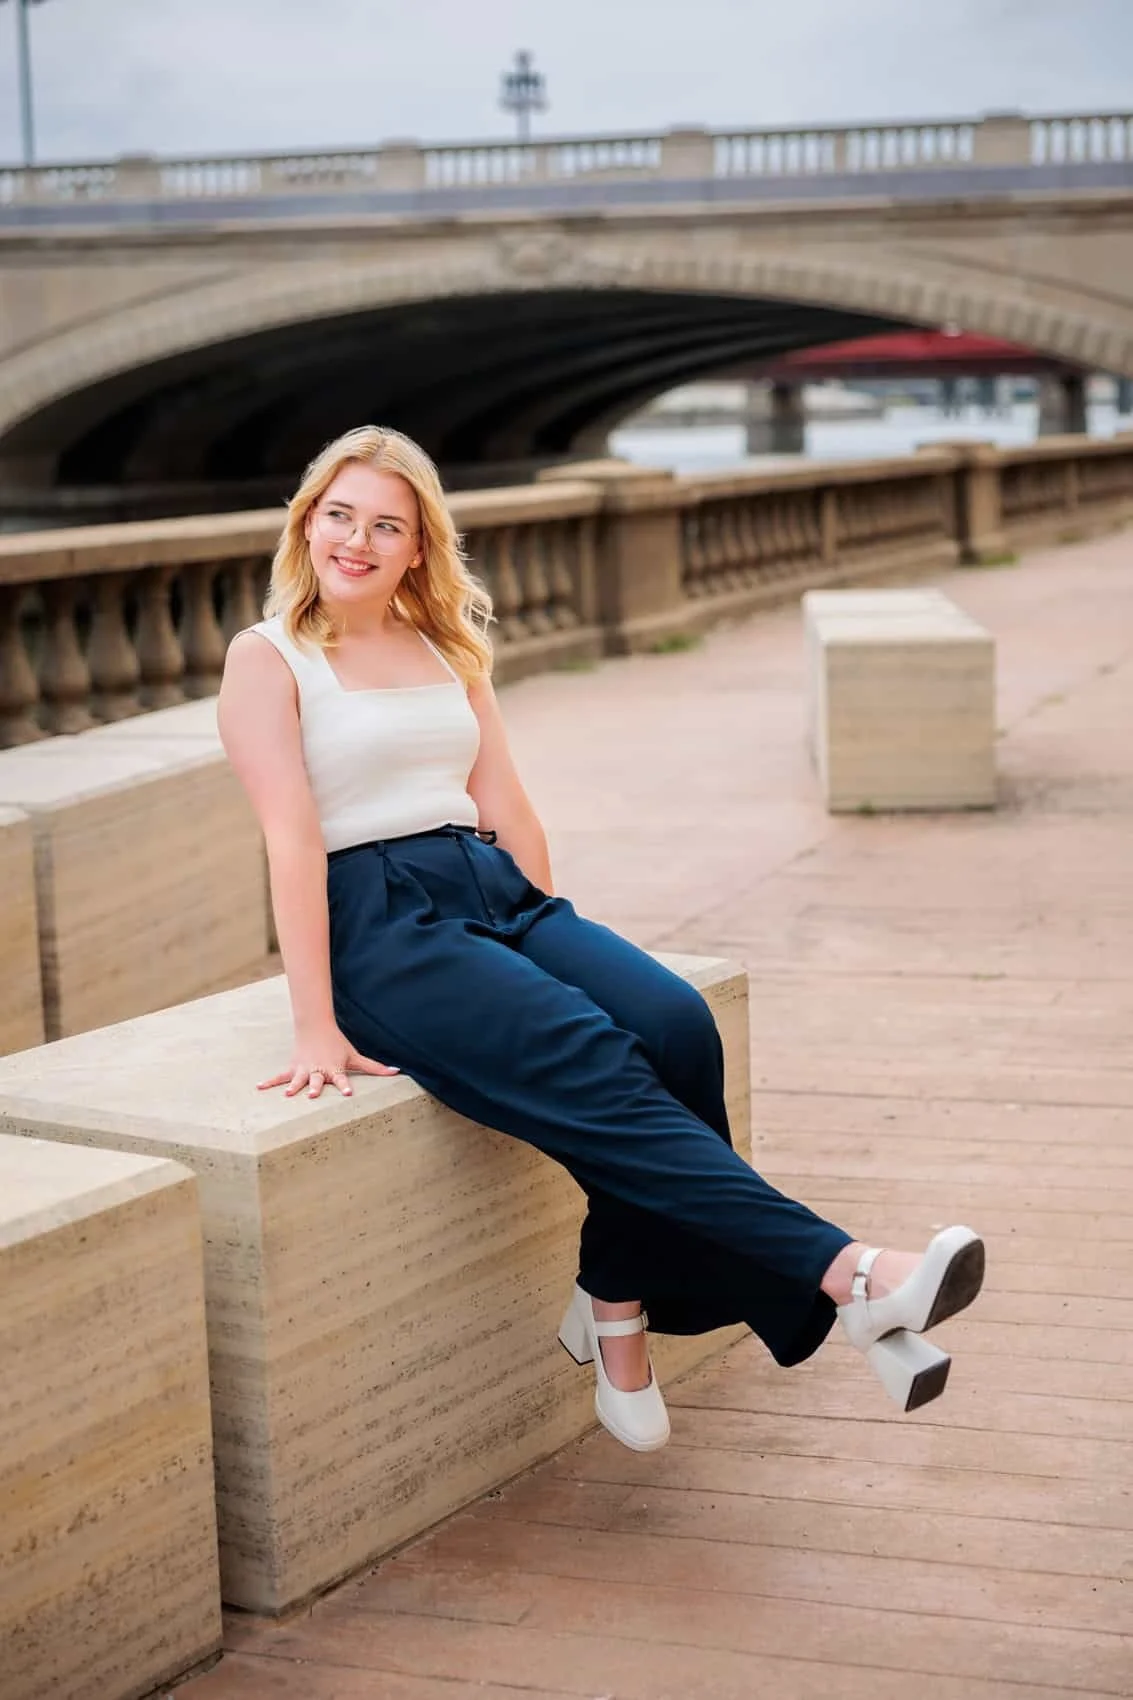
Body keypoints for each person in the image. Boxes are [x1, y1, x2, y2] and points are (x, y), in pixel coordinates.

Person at [217, 424, 985, 1454]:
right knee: (592, 1055)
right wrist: (313, 1022)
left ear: (416, 547)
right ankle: (852, 1275)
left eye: (385, 524)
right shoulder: (267, 658)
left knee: (671, 1024)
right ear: (307, 520)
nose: (355, 539)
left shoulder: (445, 646)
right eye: (339, 515)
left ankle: (612, 1296)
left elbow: (505, 802)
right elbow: (289, 840)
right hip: (377, 924)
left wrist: (537, 937)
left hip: (489, 888)